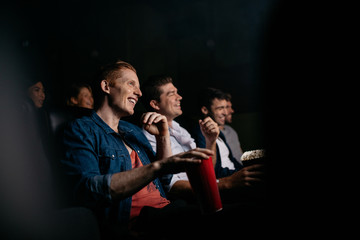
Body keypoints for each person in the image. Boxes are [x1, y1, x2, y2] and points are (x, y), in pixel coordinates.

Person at [60, 60, 216, 239]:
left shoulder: (132, 130)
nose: (139, 93)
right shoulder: (81, 129)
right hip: (138, 223)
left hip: (169, 210)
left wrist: (162, 136)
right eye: (131, 83)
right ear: (106, 86)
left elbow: (164, 180)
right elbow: (88, 190)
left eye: (139, 87)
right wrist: (158, 167)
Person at [141, 76, 266, 204]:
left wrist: (210, 141)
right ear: (155, 104)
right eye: (172, 94)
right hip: (198, 199)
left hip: (213, 186)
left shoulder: (181, 130)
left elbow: (207, 169)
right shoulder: (150, 134)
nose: (179, 97)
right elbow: (170, 185)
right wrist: (228, 183)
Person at [220, 92, 244, 163]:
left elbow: (240, 154)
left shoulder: (231, 130)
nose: (232, 111)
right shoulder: (212, 135)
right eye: (227, 107)